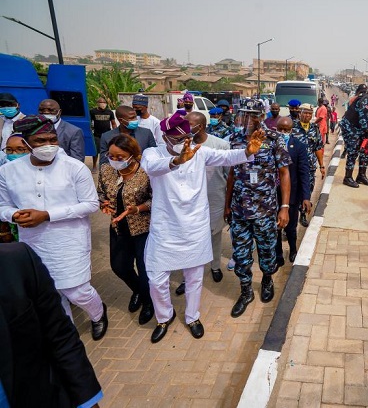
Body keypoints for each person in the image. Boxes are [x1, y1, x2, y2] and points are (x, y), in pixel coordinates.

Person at [140, 110, 263, 343]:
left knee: (195, 279)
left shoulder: (200, 152)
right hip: (165, 228)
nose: (184, 144)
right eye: (177, 140)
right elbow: (153, 168)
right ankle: (164, 316)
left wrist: (248, 151)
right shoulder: (151, 153)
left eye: (186, 138)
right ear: (164, 137)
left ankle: (192, 317)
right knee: (156, 279)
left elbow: (227, 157)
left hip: (194, 226)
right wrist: (177, 160)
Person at [0, 115, 107, 340]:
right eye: (40, 141)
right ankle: (67, 332)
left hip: (70, 240)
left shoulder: (75, 168)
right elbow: (3, 205)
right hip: (33, 242)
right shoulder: (8, 171)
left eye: (52, 139)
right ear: (27, 142)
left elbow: (90, 204)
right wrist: (13, 215)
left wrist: (47, 215)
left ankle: (98, 314)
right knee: (50, 291)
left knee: (77, 291)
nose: (49, 145)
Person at [0, 242, 103, 408]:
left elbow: (60, 336)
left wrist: (88, 401)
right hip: (39, 244)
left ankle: (98, 314)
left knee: (78, 292)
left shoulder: (15, 260)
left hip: (40, 397)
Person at [226, 101, 291, 318]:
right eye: (246, 114)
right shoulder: (235, 140)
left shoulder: (274, 139)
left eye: (254, 114)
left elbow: (284, 174)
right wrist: (227, 205)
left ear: (262, 116)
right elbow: (232, 175)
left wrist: (284, 207)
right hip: (240, 210)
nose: (250, 118)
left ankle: (266, 279)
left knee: (266, 250)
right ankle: (245, 291)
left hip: (265, 209)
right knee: (241, 254)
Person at [97, 134, 154, 325]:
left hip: (143, 229)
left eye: (119, 157)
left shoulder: (146, 172)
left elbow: (156, 199)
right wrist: (103, 202)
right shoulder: (106, 171)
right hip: (118, 227)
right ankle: (137, 289)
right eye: (111, 156)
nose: (114, 160)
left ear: (132, 154)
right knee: (119, 266)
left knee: (146, 271)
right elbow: (100, 193)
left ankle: (148, 303)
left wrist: (138, 208)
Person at [188, 111, 231, 283]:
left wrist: (228, 204)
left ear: (202, 126)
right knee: (191, 237)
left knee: (214, 235)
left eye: (190, 125)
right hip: (190, 201)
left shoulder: (220, 145)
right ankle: (188, 275)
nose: (186, 128)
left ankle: (215, 266)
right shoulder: (183, 146)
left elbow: (229, 176)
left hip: (215, 198)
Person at [275, 116, 312, 264]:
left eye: (286, 130)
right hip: (273, 194)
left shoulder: (299, 146)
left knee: (291, 226)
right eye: (280, 129)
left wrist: (306, 197)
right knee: (275, 227)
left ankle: (293, 249)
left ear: (291, 131)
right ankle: (278, 254)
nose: (283, 132)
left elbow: (304, 172)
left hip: (292, 195)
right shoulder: (271, 145)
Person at [89, 97, 117, 169]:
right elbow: (89, 122)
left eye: (104, 103)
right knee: (95, 151)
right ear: (98, 103)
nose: (103, 104)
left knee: (108, 150)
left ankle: (108, 165)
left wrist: (116, 132)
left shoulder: (109, 112)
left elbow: (113, 123)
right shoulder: (92, 112)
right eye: (101, 103)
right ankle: (94, 165)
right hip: (97, 134)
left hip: (107, 134)